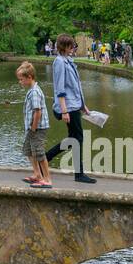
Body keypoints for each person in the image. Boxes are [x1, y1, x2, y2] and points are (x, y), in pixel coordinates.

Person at [45, 33, 96, 183]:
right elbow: (60, 88)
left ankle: (47, 157)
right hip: (68, 107)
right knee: (77, 138)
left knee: (74, 138)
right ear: (64, 47)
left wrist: (83, 105)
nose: (74, 48)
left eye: (73, 45)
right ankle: (78, 174)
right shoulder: (59, 62)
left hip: (74, 105)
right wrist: (64, 110)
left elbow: (75, 87)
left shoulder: (68, 60)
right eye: (71, 45)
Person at [17, 62, 51, 188]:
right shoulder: (31, 91)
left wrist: (33, 128)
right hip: (32, 128)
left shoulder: (35, 92)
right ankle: (37, 174)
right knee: (28, 150)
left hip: (37, 128)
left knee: (39, 153)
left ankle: (47, 179)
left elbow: (38, 112)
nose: (20, 82)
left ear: (29, 77)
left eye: (21, 79)